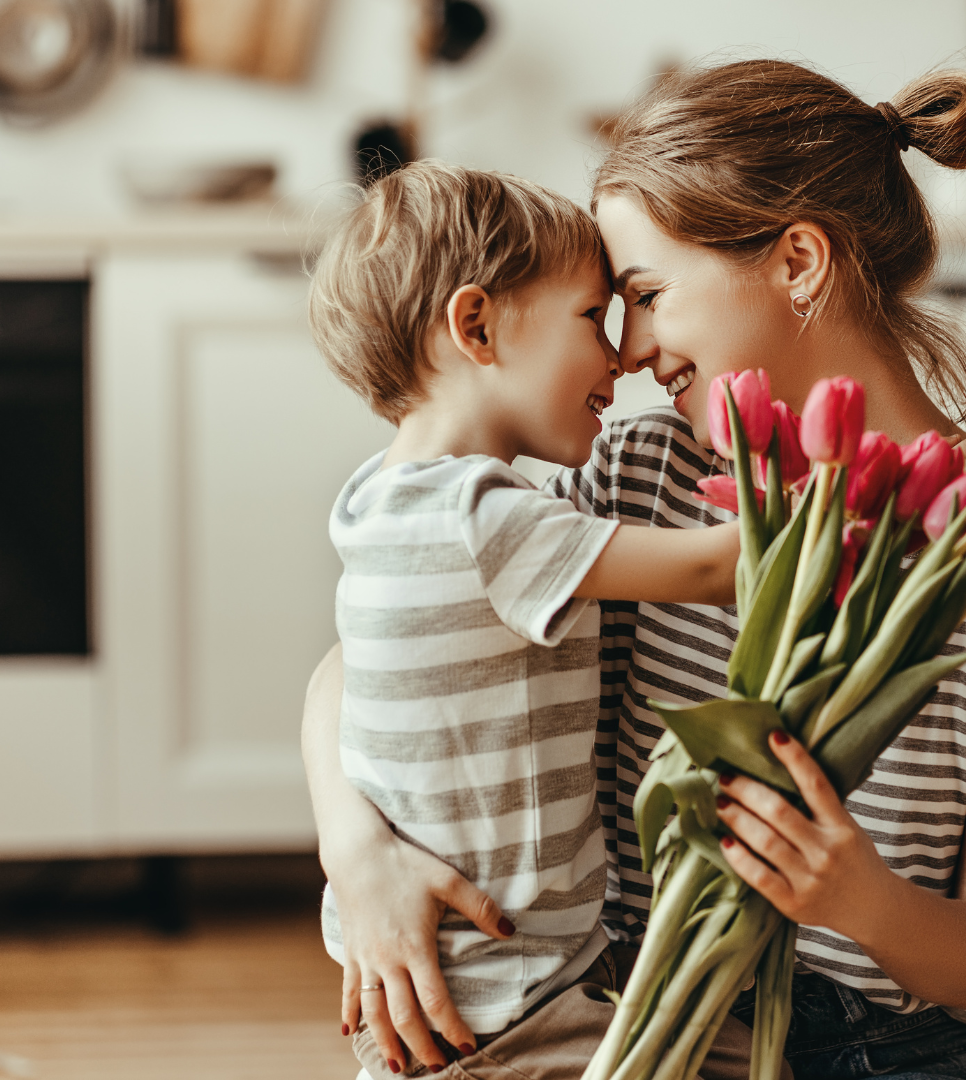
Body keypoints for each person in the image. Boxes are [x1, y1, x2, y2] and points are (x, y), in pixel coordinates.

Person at [303, 62, 966, 1080]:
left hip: (878, 1052)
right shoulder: (638, 474)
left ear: (800, 261)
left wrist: (858, 897)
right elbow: (374, 654)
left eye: (643, 295)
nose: (629, 350)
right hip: (625, 1022)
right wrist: (357, 851)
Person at [307, 162, 749, 1079]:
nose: (621, 356)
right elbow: (715, 568)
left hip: (472, 983)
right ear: (476, 326)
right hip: (509, 999)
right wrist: (898, 485)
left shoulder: (376, 499)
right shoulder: (485, 521)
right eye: (594, 317)